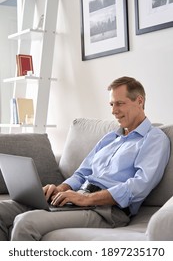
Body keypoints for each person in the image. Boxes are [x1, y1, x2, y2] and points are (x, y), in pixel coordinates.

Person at [0, 76, 170, 241]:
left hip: (106, 210)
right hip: (78, 197)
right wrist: (60, 189)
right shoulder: (110, 138)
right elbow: (82, 173)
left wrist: (87, 198)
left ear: (139, 101)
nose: (113, 111)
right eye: (111, 104)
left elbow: (139, 186)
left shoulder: (154, 139)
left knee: (25, 223)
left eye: (120, 103)